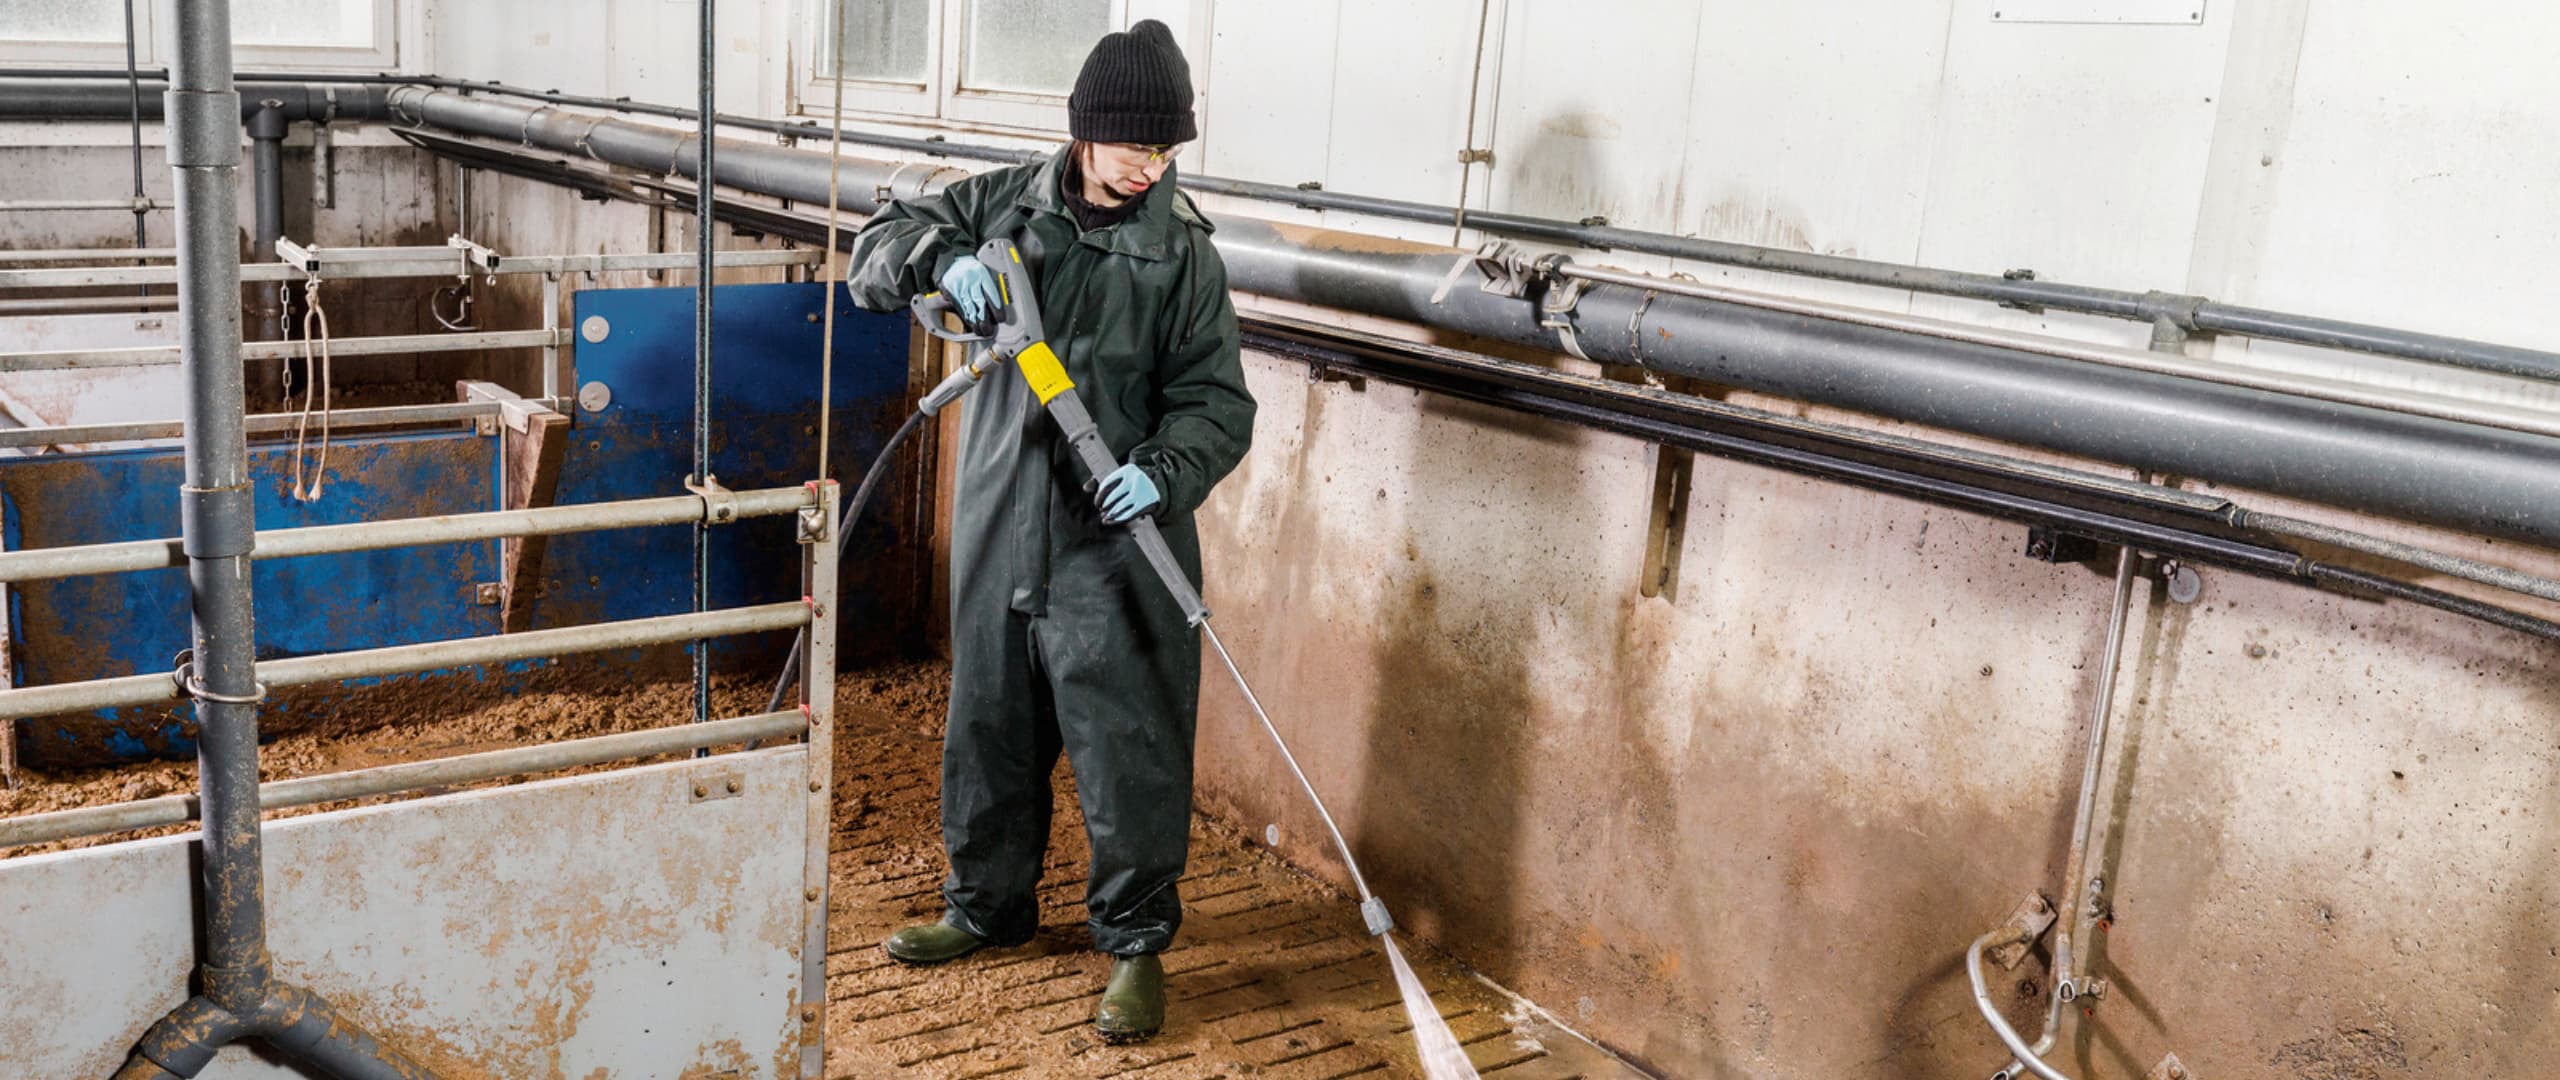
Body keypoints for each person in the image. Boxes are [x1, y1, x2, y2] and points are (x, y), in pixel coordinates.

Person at [841, 19, 1255, 1044]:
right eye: (1135, 148)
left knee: (1129, 742)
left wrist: (1160, 476)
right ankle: (985, 907)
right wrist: (940, 259)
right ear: (1084, 134)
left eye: (1164, 152)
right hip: (998, 510)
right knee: (987, 718)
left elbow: (1216, 402)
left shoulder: (1180, 254)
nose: (1148, 168)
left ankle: (1133, 945)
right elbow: (872, 249)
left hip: (1115, 536)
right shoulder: (997, 202)